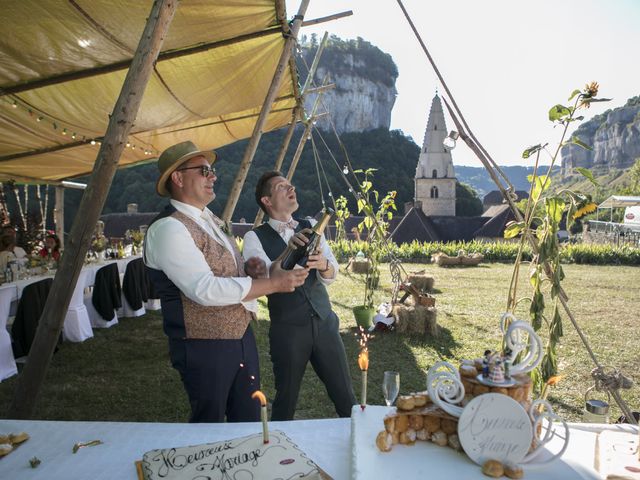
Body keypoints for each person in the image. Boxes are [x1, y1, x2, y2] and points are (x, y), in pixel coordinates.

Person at [144, 142, 308, 423]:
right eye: (204, 171)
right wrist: (273, 284)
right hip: (202, 347)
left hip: (240, 336)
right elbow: (204, 289)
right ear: (178, 178)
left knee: (247, 419)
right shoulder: (169, 227)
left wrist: (249, 269)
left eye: (212, 171)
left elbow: (222, 269)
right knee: (209, 427)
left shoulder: (210, 219)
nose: (213, 176)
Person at [243, 171, 356, 420]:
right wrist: (287, 251)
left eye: (290, 184)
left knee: (346, 396)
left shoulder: (311, 227)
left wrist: (323, 264)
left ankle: (361, 447)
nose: (291, 188)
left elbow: (332, 273)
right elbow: (260, 276)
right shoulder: (254, 237)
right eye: (282, 187)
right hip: (288, 330)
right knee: (286, 399)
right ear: (267, 201)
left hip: (325, 321)